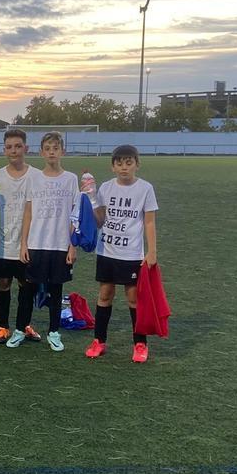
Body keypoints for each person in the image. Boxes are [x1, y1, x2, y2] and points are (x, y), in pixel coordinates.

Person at [87, 145, 159, 364]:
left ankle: (140, 343)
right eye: (119, 163)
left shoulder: (145, 188)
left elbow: (148, 221)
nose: (124, 167)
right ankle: (99, 340)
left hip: (131, 253)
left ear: (137, 164)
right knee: (105, 294)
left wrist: (152, 250)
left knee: (133, 297)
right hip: (107, 251)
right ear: (112, 166)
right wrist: (91, 198)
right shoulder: (106, 189)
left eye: (129, 163)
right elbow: (99, 221)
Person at [19, 131, 79, 353]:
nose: (52, 152)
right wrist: (23, 244)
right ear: (41, 152)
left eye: (56, 148)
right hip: (36, 242)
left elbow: (76, 214)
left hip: (60, 245)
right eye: (48, 148)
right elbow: (28, 212)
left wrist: (72, 245)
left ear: (62, 151)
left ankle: (54, 332)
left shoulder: (71, 179)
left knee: (55, 291)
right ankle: (20, 329)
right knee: (28, 289)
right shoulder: (33, 178)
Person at [0, 129, 41, 347]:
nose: (14, 150)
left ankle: (24, 325)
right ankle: (3, 326)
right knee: (3, 282)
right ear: (4, 150)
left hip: (29, 242)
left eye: (18, 146)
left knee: (26, 283)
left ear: (26, 148)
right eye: (9, 146)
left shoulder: (37, 176)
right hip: (4, 241)